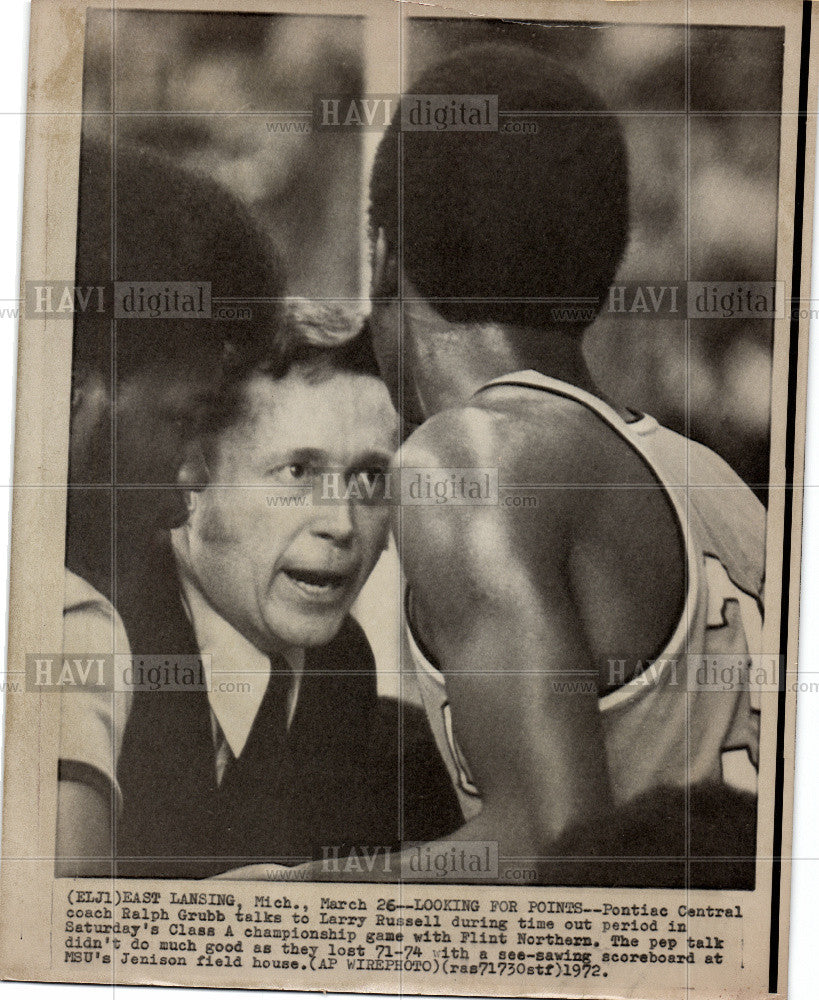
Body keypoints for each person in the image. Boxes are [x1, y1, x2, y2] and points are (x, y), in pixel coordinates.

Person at [362, 43, 764, 878]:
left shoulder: (469, 460)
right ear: (604, 265)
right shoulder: (714, 484)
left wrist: (278, 893)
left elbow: (550, 853)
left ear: (385, 255)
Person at [113, 302, 461, 878]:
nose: (343, 524)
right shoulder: (100, 647)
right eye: (298, 472)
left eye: (370, 479)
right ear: (191, 473)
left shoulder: (358, 694)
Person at [58, 136, 284, 876]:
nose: (189, 485)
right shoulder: (70, 626)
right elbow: (63, 944)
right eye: (182, 421)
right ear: (73, 398)